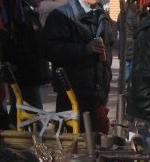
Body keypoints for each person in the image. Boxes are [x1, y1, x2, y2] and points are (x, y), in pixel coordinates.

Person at [41, 0, 113, 133]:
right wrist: (84, 49)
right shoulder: (61, 15)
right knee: (71, 148)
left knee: (96, 147)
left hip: (97, 97)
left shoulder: (103, 16)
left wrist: (104, 90)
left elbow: (107, 55)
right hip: (72, 97)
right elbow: (49, 49)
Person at [3, 0, 50, 111]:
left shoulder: (27, 12)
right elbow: (19, 48)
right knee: (33, 113)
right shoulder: (20, 13)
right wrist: (35, 68)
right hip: (26, 77)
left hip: (30, 75)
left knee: (22, 112)